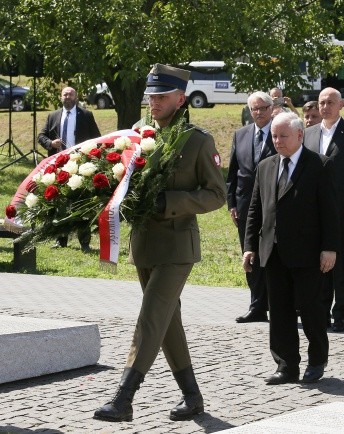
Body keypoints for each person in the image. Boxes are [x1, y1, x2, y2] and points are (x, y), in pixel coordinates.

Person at [93, 64, 227, 422]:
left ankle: (124, 398)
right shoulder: (137, 133)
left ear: (181, 98)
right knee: (167, 322)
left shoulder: (198, 140)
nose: (153, 101)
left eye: (161, 95)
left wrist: (170, 203)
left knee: (151, 316)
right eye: (150, 95)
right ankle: (192, 396)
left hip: (177, 246)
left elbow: (216, 194)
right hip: (144, 245)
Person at [243, 112, 339, 385]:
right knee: (280, 312)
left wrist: (330, 248)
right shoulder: (266, 166)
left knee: (311, 310)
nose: (277, 141)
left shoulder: (320, 165)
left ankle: (317, 360)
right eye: (274, 135)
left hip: (308, 253)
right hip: (273, 252)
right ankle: (286, 365)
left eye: (283, 135)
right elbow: (255, 210)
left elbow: (330, 211)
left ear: (299, 135)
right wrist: (250, 246)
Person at [303, 87, 344, 332]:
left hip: (343, 212)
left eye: (331, 102)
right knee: (316, 263)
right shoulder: (308, 133)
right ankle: (319, 309)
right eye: (322, 102)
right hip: (312, 213)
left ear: (341, 105)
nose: (325, 106)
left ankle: (340, 312)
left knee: (340, 265)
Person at [227, 92, 277, 323]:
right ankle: (256, 305)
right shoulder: (241, 134)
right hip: (245, 204)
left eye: (263, 108)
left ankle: (277, 305)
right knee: (250, 255)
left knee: (273, 255)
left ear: (271, 107)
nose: (258, 112)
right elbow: (233, 174)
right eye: (254, 109)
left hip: (274, 204)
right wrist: (232, 204)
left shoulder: (281, 132)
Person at [38, 86, 101, 252]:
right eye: (65, 94)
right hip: (59, 165)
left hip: (80, 164)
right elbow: (41, 136)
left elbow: (97, 138)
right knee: (60, 203)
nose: (67, 96)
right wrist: (50, 143)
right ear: (61, 97)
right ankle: (61, 240)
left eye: (70, 94)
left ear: (76, 97)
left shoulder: (86, 115)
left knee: (82, 203)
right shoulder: (53, 116)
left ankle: (84, 242)